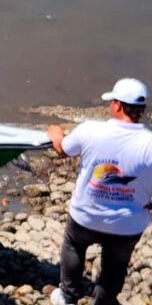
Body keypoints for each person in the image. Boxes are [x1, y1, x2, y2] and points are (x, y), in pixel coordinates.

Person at [47, 78, 152, 305]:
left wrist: (56, 134)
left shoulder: (91, 130)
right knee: (116, 264)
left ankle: (68, 295)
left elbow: (64, 149)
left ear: (118, 106)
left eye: (112, 101)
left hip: (87, 215)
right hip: (127, 223)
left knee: (74, 246)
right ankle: (103, 301)